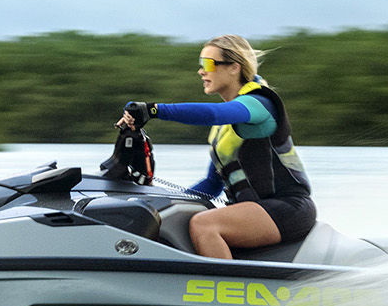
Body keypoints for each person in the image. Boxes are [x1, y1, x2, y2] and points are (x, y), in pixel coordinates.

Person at [116, 35, 315, 259]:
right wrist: (162, 202)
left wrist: (153, 110)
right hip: (255, 211)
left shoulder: (260, 104)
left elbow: (214, 113)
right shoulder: (224, 130)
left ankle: (226, 290)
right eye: (200, 64)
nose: (201, 71)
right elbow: (212, 184)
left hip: (287, 208)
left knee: (204, 224)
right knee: (175, 217)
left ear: (234, 68)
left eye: (208, 64)